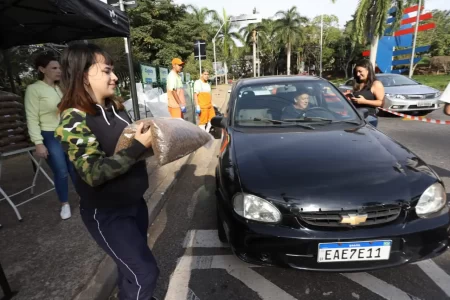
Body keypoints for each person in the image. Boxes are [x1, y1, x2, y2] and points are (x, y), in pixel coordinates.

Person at [54, 43, 159, 300]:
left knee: (130, 270)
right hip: (108, 214)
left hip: (135, 205)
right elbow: (93, 172)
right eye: (107, 71)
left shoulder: (117, 109)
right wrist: (136, 147)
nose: (114, 77)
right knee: (144, 274)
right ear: (83, 75)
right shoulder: (73, 119)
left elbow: (128, 149)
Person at [24, 53, 77, 220]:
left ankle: (87, 197)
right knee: (61, 171)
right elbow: (31, 117)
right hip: (49, 134)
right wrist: (38, 143)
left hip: (67, 133)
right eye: (54, 68)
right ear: (42, 69)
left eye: (60, 67)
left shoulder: (60, 88)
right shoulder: (34, 89)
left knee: (75, 168)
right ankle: (65, 204)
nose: (59, 71)